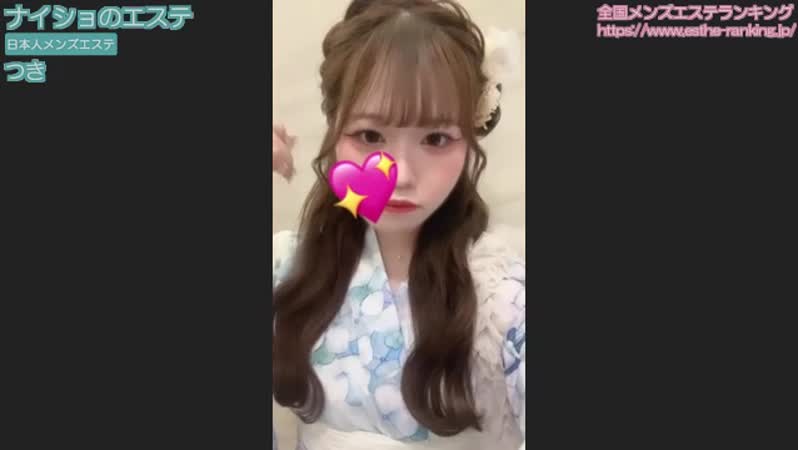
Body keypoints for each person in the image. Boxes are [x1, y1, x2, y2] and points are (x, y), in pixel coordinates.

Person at [272, 1, 525, 449]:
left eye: (436, 138)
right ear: (334, 129)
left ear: (470, 141)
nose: (401, 174)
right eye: (370, 136)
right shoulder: (287, 268)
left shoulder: (503, 301)